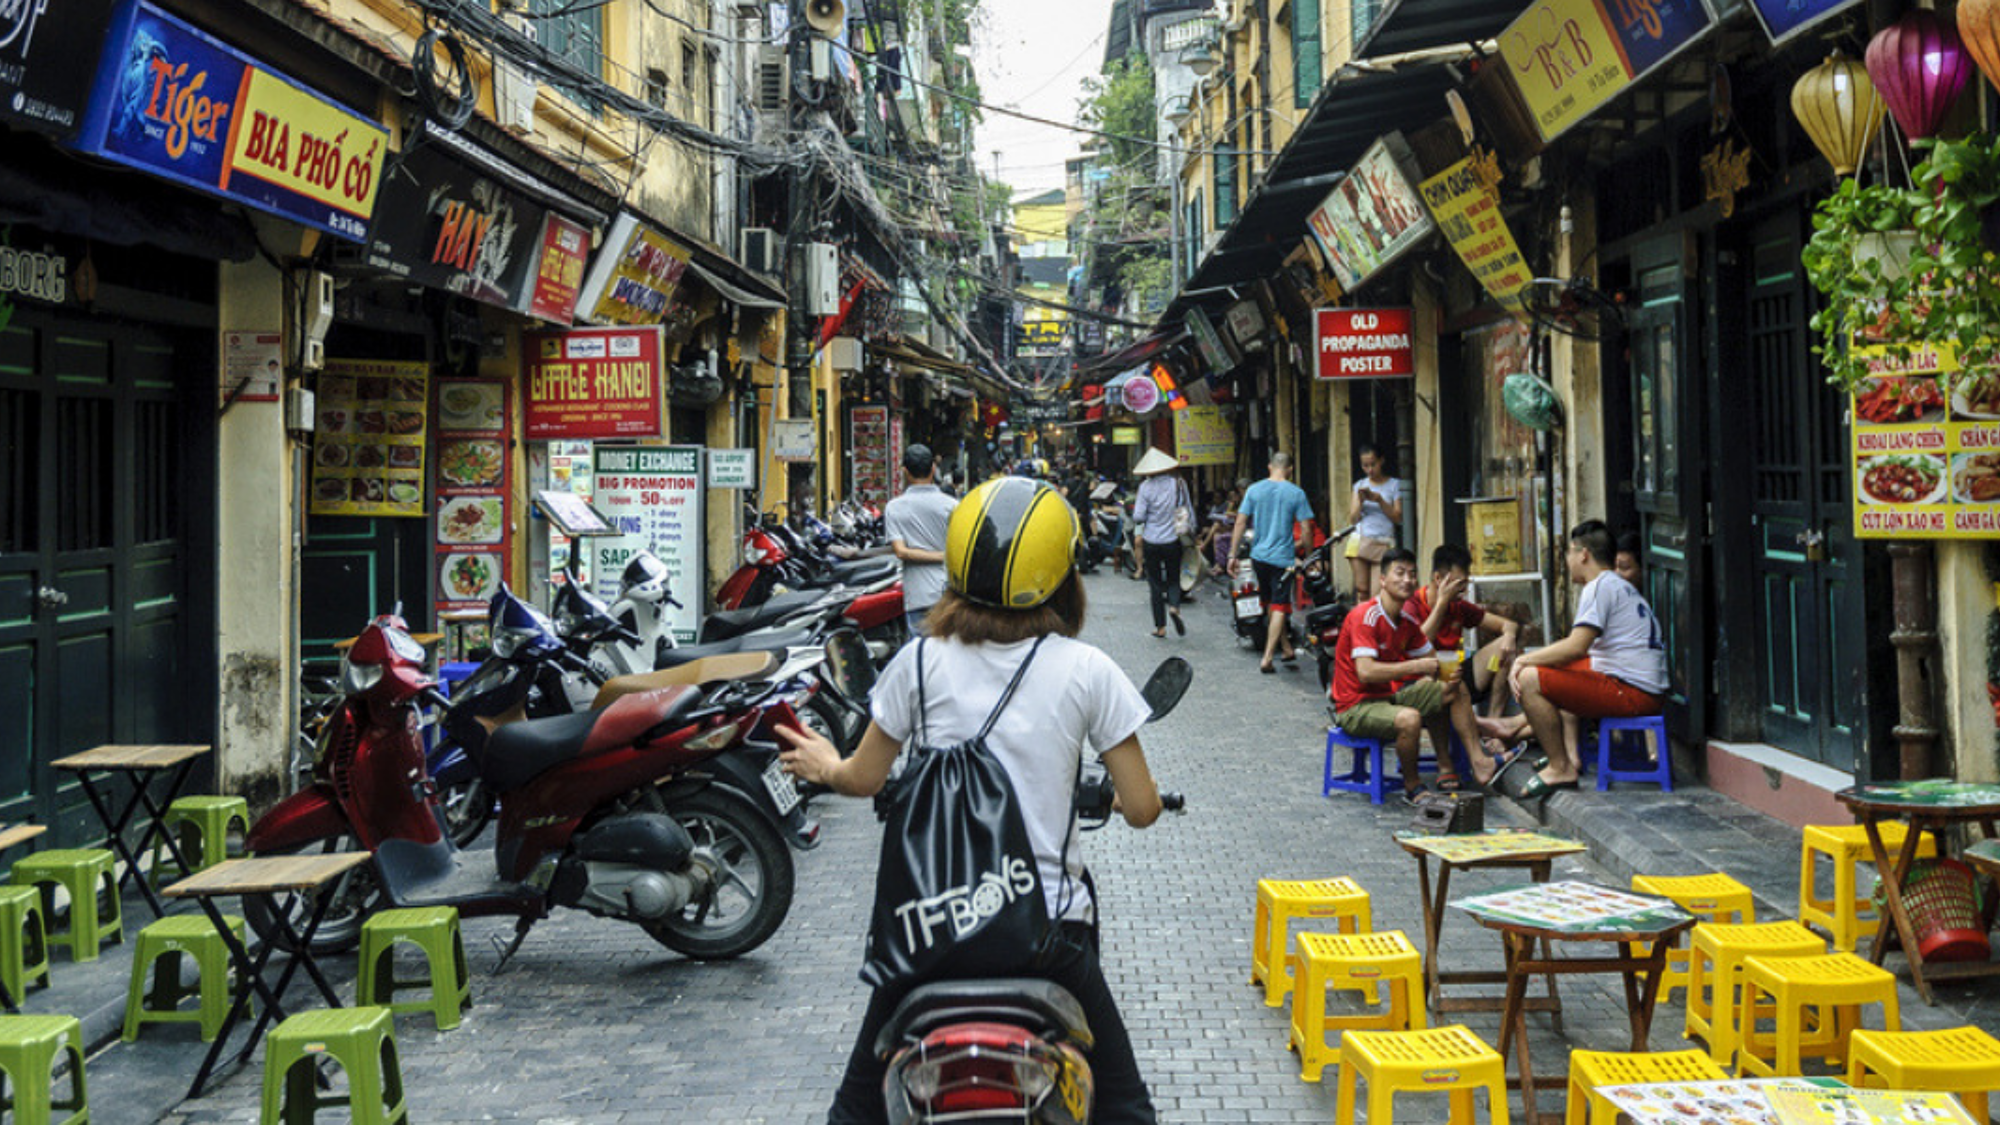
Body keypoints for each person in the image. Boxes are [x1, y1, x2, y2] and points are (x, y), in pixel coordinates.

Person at [776, 476, 1164, 1124]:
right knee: (1126, 1107)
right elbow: (1144, 806)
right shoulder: (1088, 669)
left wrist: (825, 763)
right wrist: (1120, 801)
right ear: (1063, 575)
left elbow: (864, 777)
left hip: (931, 929)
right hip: (1050, 935)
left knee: (853, 1108)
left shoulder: (916, 663)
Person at [1496, 519, 1668, 791]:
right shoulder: (1617, 585)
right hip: (1639, 686)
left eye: (1569, 553)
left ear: (1583, 553)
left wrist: (1523, 659)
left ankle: (1560, 767)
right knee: (1556, 668)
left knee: (1530, 678)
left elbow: (1577, 645)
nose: (1567, 560)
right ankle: (1559, 753)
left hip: (1633, 692)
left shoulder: (1599, 587)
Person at [1328, 547, 1464, 803]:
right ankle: (1412, 786)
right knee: (1409, 719)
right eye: (1399, 573)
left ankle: (1454, 763)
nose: (1407, 580)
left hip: (1387, 699)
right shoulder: (1365, 616)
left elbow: (1432, 658)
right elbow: (1366, 672)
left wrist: (1447, 672)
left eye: (1412, 574)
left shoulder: (1406, 622)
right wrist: (1415, 668)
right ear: (1382, 580)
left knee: (1451, 691)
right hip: (1355, 707)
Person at [1407, 544, 1521, 781]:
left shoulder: (1459, 607)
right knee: (1449, 684)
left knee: (1504, 651)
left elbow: (1507, 625)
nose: (1463, 591)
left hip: (1458, 672)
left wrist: (1509, 635)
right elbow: (1419, 644)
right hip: (1423, 677)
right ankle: (1456, 763)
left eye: (1465, 584)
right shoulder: (1413, 606)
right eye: (1458, 585)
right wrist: (1441, 604)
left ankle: (1494, 730)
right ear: (1438, 579)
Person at [1232, 452, 1318, 674]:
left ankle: (1287, 647)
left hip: (1258, 556)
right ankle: (1268, 657)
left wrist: (1232, 554)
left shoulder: (1254, 490)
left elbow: (1241, 521)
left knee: (1271, 602)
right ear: (1289, 469)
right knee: (1279, 604)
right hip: (1282, 559)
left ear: (1270, 467)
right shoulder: (1296, 493)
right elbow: (1307, 528)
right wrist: (1309, 555)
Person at [883, 444, 958, 636]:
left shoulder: (894, 507)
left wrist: (940, 556)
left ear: (905, 472)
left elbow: (901, 552)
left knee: (921, 656)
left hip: (919, 594)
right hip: (949, 592)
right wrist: (945, 556)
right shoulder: (952, 506)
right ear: (933, 469)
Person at [1129, 447, 1192, 639]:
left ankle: (1160, 627)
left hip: (1151, 541)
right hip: (1173, 539)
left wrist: (1150, 516)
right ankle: (1174, 606)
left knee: (1155, 583)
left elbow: (1138, 516)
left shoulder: (1145, 488)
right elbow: (1186, 511)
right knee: (1173, 577)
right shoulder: (1178, 484)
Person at [1345, 444, 1403, 596]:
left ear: (1381, 461)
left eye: (1373, 464)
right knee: (1361, 591)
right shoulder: (1359, 485)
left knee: (1378, 593)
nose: (1370, 470)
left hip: (1383, 541)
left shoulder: (1394, 485)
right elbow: (1353, 519)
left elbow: (1398, 517)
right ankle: (1360, 620)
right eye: (1365, 466)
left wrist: (1379, 500)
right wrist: (1360, 501)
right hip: (1359, 540)